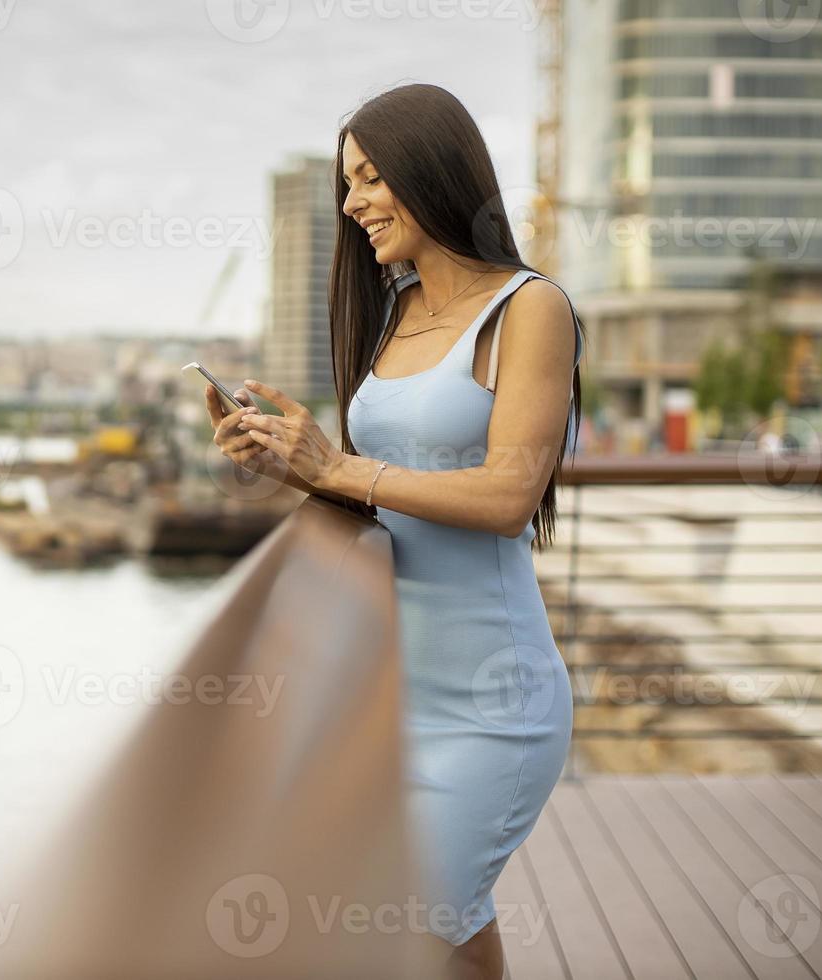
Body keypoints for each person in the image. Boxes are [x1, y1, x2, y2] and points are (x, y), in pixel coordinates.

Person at [205, 83, 584, 980]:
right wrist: (289, 464)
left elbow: (506, 495)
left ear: (431, 170)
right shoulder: (393, 312)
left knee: (405, 923)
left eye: (370, 177)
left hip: (491, 705)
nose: (351, 203)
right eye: (347, 182)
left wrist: (338, 468)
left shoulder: (529, 308)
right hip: (387, 696)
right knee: (448, 924)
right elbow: (377, 493)